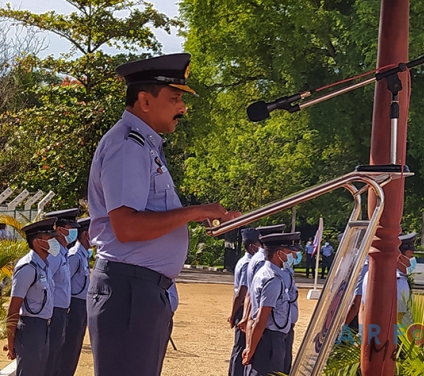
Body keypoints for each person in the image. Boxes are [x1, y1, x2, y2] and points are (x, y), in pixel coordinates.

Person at [86, 53, 240, 376]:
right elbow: (127, 227)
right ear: (144, 100)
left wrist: (193, 217)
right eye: (174, 99)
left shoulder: (144, 146)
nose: (182, 108)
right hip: (130, 291)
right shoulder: (128, 146)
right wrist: (194, 211)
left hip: (139, 290)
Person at [4, 218, 58, 376]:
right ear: (37, 241)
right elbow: (13, 308)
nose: (54, 242)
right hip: (30, 328)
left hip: (44, 326)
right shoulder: (27, 267)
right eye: (50, 238)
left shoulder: (44, 265)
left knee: (40, 371)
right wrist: (11, 342)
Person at [242, 232, 301, 376]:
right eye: (288, 252)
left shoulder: (265, 273)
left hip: (269, 338)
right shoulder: (272, 280)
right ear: (279, 253)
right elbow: (261, 320)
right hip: (270, 341)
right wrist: (250, 349)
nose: (292, 255)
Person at [44, 208, 81, 376]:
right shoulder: (54, 255)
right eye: (70, 228)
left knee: (57, 356)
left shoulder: (63, 254)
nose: (74, 232)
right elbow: (46, 284)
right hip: (53, 313)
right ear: (59, 230)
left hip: (62, 312)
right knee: (50, 358)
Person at [360, 232, 418, 326]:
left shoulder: (369, 274)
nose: (413, 261)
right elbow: (399, 315)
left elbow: (362, 307)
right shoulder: (398, 281)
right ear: (399, 257)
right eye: (411, 256)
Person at [58, 217, 92, 376]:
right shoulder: (75, 256)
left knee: (75, 346)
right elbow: (64, 284)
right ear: (86, 234)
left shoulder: (83, 255)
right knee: (68, 347)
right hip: (73, 306)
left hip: (82, 306)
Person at [228, 228, 261, 376]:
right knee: (241, 346)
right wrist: (234, 314)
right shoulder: (248, 263)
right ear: (252, 246)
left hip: (242, 308)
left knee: (240, 346)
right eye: (259, 244)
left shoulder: (244, 261)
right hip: (243, 309)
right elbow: (242, 292)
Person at [280, 243, 302, 373]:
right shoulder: (282, 273)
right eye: (293, 252)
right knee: (282, 359)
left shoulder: (287, 272)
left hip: (287, 323)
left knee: (286, 355)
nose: (296, 255)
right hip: (282, 324)